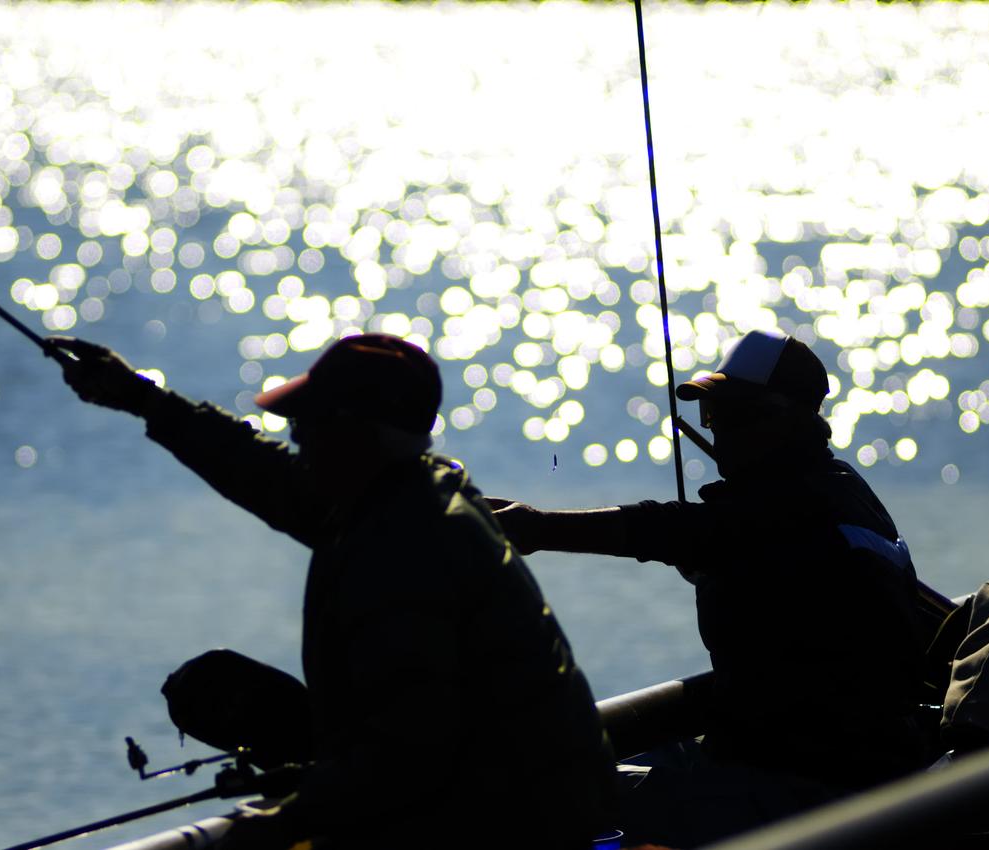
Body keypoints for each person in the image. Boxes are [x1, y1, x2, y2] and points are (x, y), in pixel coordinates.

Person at [49, 333, 617, 850]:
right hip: (516, 801)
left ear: (353, 434)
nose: (294, 438)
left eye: (306, 424)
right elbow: (264, 474)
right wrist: (142, 397)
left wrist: (283, 819)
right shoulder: (404, 495)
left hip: (512, 829)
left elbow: (410, 750)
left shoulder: (406, 552)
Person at [489, 330, 926, 847]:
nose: (721, 434)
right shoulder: (842, 488)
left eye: (738, 415)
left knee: (532, 796)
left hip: (803, 788)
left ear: (791, 421)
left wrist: (537, 527)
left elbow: (665, 528)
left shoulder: (784, 511)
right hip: (832, 765)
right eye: (714, 416)